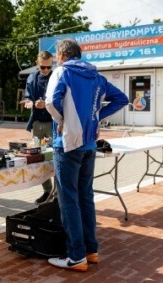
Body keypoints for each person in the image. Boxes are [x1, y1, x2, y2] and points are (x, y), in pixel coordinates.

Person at [45, 39, 128, 271]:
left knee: (69, 200)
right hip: (89, 144)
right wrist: (96, 115)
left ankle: (76, 256)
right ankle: (91, 251)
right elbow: (122, 99)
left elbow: (51, 102)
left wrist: (63, 121)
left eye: (56, 56)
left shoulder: (61, 72)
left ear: (62, 55)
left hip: (68, 144)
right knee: (85, 197)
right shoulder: (96, 76)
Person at [23, 50, 55, 205]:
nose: (46, 70)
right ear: (37, 64)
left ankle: (58, 192)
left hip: (52, 123)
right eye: (43, 67)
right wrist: (29, 102)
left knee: (54, 158)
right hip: (37, 122)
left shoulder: (56, 77)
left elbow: (61, 99)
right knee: (38, 159)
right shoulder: (32, 77)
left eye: (49, 67)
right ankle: (47, 191)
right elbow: (27, 96)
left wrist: (47, 105)